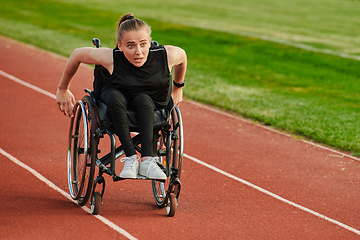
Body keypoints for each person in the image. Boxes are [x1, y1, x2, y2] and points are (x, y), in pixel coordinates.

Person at [56, 13, 187, 180]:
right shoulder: (112, 58)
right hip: (116, 97)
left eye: (143, 44)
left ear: (150, 42)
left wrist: (178, 87)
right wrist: (63, 88)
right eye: (130, 46)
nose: (138, 52)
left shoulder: (165, 55)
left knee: (144, 100)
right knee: (117, 99)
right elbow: (77, 54)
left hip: (147, 102)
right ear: (120, 46)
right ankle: (131, 158)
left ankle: (147, 161)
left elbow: (182, 55)